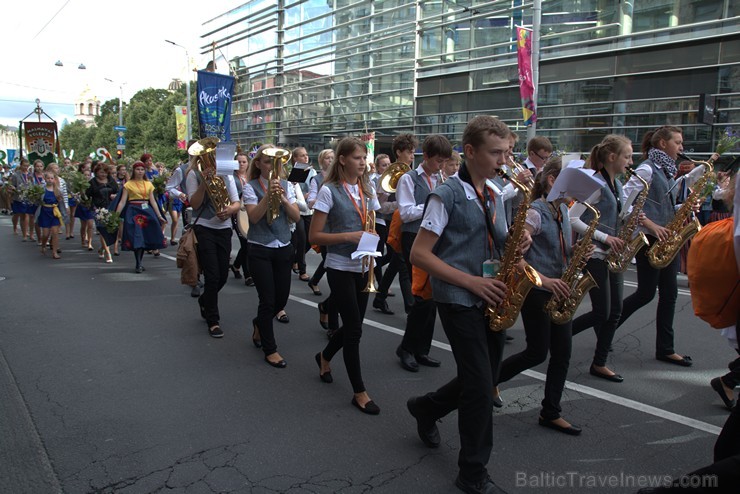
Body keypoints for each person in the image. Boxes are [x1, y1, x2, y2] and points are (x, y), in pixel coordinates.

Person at [405, 116, 520, 494]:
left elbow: (498, 241)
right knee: (480, 388)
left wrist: (518, 250)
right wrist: (470, 280)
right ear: (470, 151)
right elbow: (420, 254)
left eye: (506, 152)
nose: (503, 160)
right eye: (496, 153)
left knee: (482, 378)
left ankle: (427, 407)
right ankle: (472, 473)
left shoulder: (495, 191)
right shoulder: (447, 194)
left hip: (491, 296)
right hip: (458, 298)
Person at [497, 156, 589, 438]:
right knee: (537, 352)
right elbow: (514, 257)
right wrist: (546, 280)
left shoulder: (562, 212)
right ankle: (488, 379)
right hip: (537, 291)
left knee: (562, 352)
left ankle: (551, 411)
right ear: (552, 181)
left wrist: (578, 255)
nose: (580, 189)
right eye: (574, 183)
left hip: (558, 289)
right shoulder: (535, 212)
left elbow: (558, 250)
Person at [310, 136, 381, 415]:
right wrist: (350, 235)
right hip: (339, 265)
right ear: (342, 160)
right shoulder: (329, 191)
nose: (362, 162)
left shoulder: (368, 187)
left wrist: (374, 236)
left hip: (364, 265)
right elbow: (315, 236)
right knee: (354, 330)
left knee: (354, 327)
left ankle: (324, 356)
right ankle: (359, 391)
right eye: (356, 158)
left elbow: (374, 220)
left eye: (364, 158)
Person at [617, 126, 694, 366]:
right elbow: (625, 204)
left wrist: (686, 207)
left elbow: (664, 206)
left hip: (665, 239)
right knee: (645, 293)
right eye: (678, 142)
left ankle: (666, 349)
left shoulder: (668, 171)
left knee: (669, 294)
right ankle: (606, 326)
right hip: (648, 239)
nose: (681, 148)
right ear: (662, 143)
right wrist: (651, 225)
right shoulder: (647, 168)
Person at [571, 135, 633, 382]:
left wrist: (629, 220)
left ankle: (599, 363)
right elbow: (572, 218)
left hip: (611, 255)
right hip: (594, 253)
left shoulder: (617, 184)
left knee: (615, 311)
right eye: (627, 156)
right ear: (612, 157)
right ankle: (561, 334)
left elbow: (611, 217)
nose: (630, 161)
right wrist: (605, 238)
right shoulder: (595, 183)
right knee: (601, 312)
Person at [395, 134, 452, 372]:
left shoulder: (440, 178)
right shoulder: (408, 179)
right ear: (426, 156)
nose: (441, 167)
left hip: (435, 237)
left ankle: (422, 349)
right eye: (438, 161)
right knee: (420, 297)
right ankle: (406, 348)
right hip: (414, 237)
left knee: (433, 298)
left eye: (443, 162)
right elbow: (406, 213)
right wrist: (434, 203)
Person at [243, 144, 300, 365]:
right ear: (258, 164)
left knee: (280, 299)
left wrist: (284, 198)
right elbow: (254, 218)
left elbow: (295, 217)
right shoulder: (250, 187)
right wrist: (268, 195)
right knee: (267, 300)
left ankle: (259, 323)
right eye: (267, 161)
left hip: (283, 246)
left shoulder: (288, 185)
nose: (272, 166)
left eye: (276, 162)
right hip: (260, 248)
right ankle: (270, 349)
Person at [185, 145, 241, 338]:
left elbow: (236, 202)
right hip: (204, 227)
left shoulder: (227, 173)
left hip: (223, 228)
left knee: (223, 276)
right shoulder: (193, 173)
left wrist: (230, 210)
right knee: (212, 275)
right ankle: (213, 320)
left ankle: (205, 300)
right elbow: (194, 203)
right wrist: (205, 182)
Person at [373, 133, 418, 316]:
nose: (412, 156)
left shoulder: (412, 173)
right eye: (410, 152)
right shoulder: (391, 174)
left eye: (414, 152)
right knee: (403, 267)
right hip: (395, 223)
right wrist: (400, 205)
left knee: (396, 263)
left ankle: (380, 297)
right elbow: (380, 205)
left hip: (406, 222)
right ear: (399, 152)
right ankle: (411, 308)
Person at [115, 161, 167, 274]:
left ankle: (139, 262)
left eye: (142, 169)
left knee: (144, 238)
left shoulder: (149, 184)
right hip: (133, 211)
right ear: (134, 171)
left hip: (146, 211)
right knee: (136, 237)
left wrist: (159, 216)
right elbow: (123, 202)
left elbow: (153, 201)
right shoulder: (128, 184)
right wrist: (115, 216)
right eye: (137, 169)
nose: (140, 171)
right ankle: (138, 263)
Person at [88, 162, 119, 263]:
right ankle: (108, 253)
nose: (103, 175)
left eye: (105, 173)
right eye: (101, 172)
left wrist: (115, 196)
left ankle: (102, 248)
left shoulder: (111, 181)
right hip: (98, 209)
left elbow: (118, 192)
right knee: (102, 231)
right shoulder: (92, 182)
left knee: (111, 230)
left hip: (111, 208)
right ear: (96, 172)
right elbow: (87, 196)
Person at [230, 151, 253, 284]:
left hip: (249, 212)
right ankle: (248, 274)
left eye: (244, 162)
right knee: (245, 241)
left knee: (248, 242)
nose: (242, 164)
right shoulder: (231, 177)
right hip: (236, 212)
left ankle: (236, 265)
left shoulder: (251, 177)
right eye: (239, 162)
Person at [37, 170, 65, 260]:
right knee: (45, 234)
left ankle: (55, 252)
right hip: (45, 212)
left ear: (54, 179)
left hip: (54, 212)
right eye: (48, 178)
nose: (50, 180)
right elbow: (37, 200)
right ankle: (44, 245)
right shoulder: (42, 189)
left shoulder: (57, 190)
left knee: (55, 233)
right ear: (45, 179)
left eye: (52, 178)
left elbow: (61, 202)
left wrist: (64, 212)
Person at [10, 158, 35, 241]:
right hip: (19, 197)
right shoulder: (16, 175)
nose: (26, 167)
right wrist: (13, 190)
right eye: (24, 166)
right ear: (21, 165)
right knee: (23, 215)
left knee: (30, 215)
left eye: (27, 166)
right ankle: (24, 234)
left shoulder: (31, 174)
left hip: (29, 197)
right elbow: (12, 186)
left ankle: (30, 233)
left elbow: (34, 184)